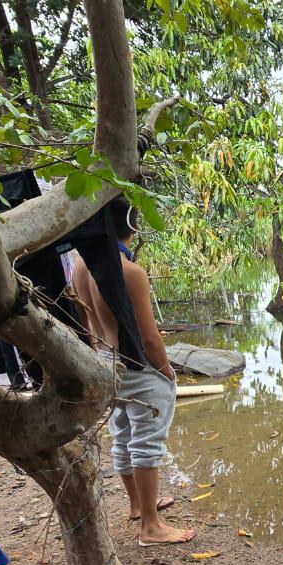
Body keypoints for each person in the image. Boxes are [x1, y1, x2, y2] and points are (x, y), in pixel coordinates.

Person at [70, 198, 194, 545]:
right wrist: (166, 372)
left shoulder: (81, 264)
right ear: (133, 226)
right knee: (147, 442)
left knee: (122, 434)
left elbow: (85, 320)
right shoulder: (130, 272)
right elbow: (149, 337)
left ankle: (138, 505)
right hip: (136, 366)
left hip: (105, 364)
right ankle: (151, 527)